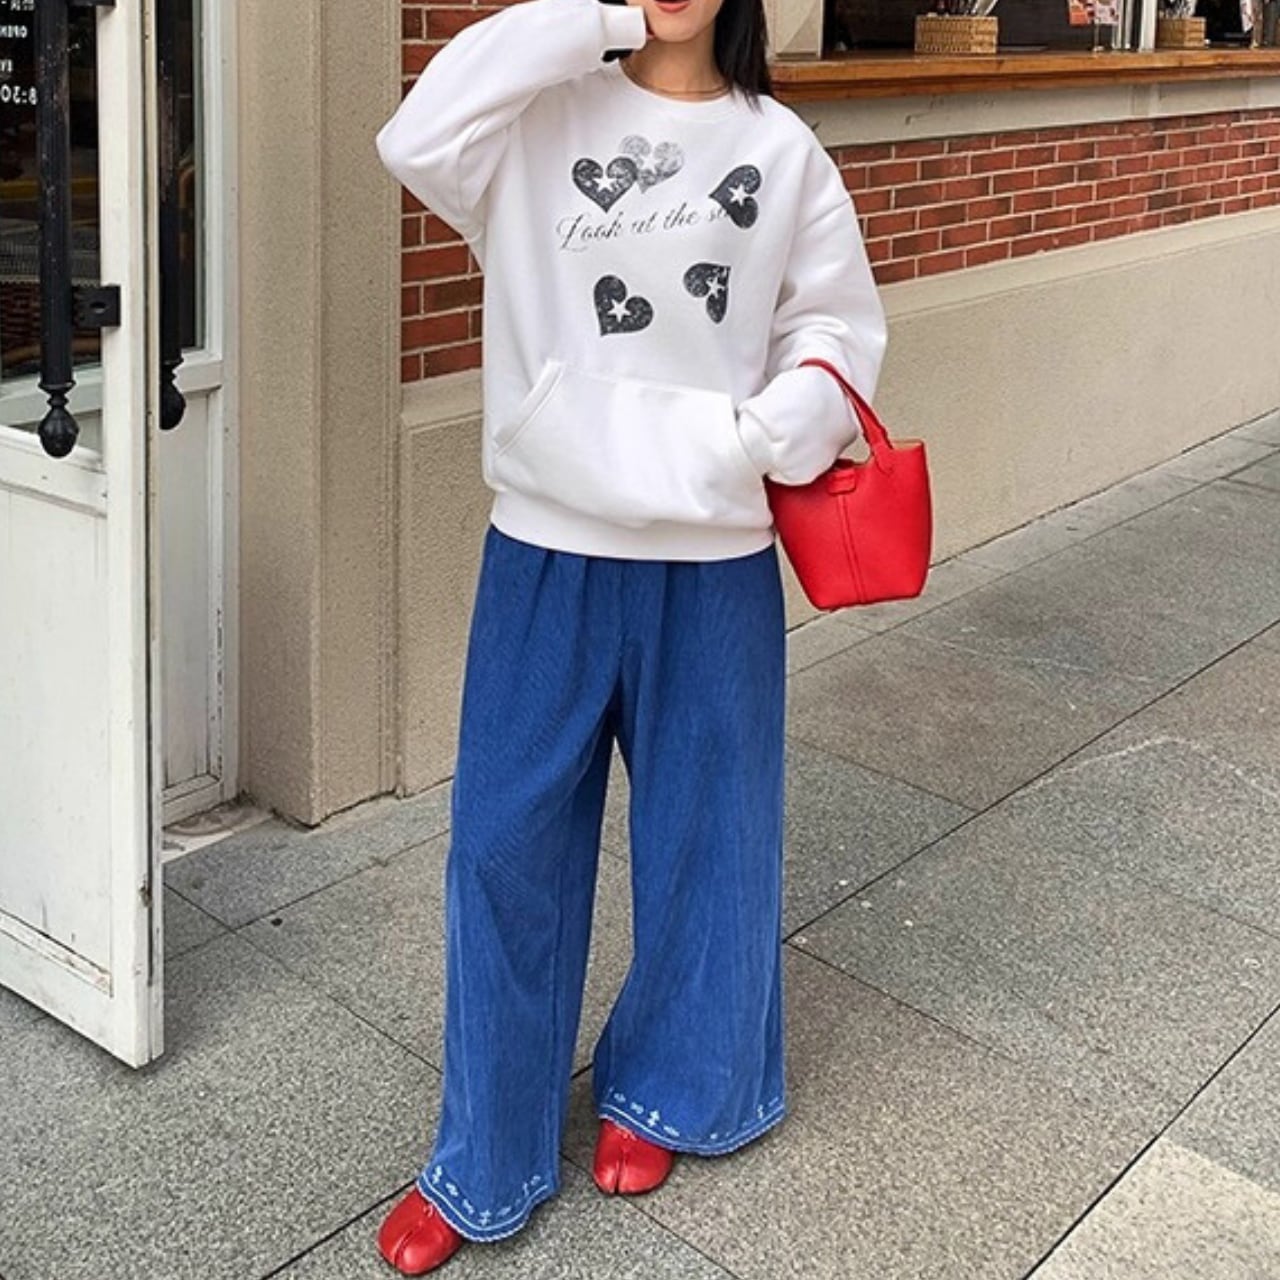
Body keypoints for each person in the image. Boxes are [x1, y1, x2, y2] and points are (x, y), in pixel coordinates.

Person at [373, 0, 885, 1270]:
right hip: (544, 547)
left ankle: (669, 1087)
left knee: (710, 839)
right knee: (502, 846)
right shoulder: (535, 118)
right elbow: (415, 133)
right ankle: (485, 1149)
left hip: (710, 561)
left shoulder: (777, 150)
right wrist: (599, 16)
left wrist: (760, 435)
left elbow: (835, 328)